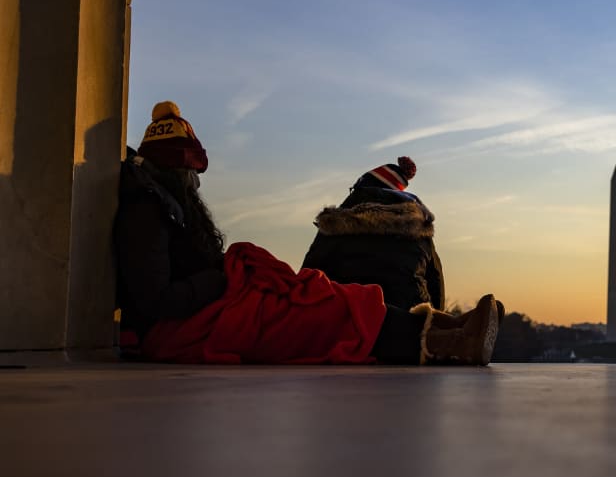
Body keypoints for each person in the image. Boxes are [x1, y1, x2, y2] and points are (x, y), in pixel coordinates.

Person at [114, 101, 499, 365]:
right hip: (189, 327)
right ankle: (448, 339)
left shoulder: (162, 207)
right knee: (322, 312)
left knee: (330, 295)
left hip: (217, 305)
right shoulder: (146, 213)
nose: (195, 184)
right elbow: (156, 300)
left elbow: (314, 263)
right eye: (191, 175)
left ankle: (455, 330)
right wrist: (221, 279)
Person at [301, 155, 503, 332]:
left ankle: (455, 329)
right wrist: (436, 319)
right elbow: (435, 280)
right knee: (417, 319)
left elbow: (308, 278)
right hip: (413, 317)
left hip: (355, 322)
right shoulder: (419, 229)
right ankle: (453, 329)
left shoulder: (334, 226)